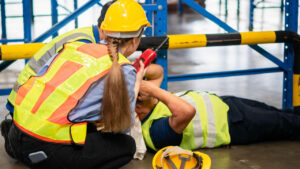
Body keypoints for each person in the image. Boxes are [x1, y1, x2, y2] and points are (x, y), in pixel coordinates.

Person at [1, 0, 151, 168]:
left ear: (105, 29)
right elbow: (122, 126)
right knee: (126, 145)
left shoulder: (75, 46)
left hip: (18, 131)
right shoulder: (124, 70)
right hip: (45, 147)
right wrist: (136, 83)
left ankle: (20, 147)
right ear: (134, 40)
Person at [135, 65, 300, 152]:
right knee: (287, 124)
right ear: (139, 104)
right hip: (233, 125)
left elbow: (157, 71)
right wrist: (154, 90)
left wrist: (131, 74)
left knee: (283, 114)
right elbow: (186, 112)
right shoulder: (154, 132)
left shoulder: (151, 102)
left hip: (228, 104)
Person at [6, 0, 116, 115]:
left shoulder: (89, 35)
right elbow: (70, 89)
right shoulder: (84, 43)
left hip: (27, 95)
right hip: (26, 101)